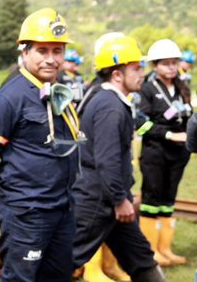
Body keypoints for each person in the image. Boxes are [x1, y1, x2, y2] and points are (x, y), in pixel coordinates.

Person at [0, 8, 82, 282]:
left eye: (57, 51)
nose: (51, 59)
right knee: (19, 278)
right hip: (27, 213)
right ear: (25, 53)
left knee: (58, 276)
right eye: (42, 51)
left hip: (62, 208)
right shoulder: (9, 98)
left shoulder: (60, 90)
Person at [72, 35, 166, 282]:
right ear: (116, 75)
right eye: (136, 69)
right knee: (62, 261)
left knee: (140, 258)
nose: (141, 74)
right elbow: (107, 160)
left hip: (111, 200)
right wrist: (119, 199)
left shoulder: (106, 98)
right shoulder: (110, 106)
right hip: (99, 201)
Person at [138, 39, 191, 267]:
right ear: (155, 65)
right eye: (166, 63)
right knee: (152, 199)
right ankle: (150, 251)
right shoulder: (146, 89)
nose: (171, 67)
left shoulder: (181, 88)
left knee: (168, 200)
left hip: (178, 153)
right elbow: (141, 124)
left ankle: (165, 249)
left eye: (174, 63)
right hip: (155, 152)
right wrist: (169, 135)